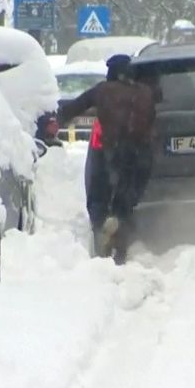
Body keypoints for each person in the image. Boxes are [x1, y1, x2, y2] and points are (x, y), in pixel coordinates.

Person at [57, 54, 156, 264]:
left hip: (111, 151)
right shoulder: (146, 92)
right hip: (141, 154)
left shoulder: (103, 90)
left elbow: (74, 107)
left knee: (100, 197)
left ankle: (104, 239)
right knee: (126, 201)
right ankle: (122, 246)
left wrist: (55, 120)